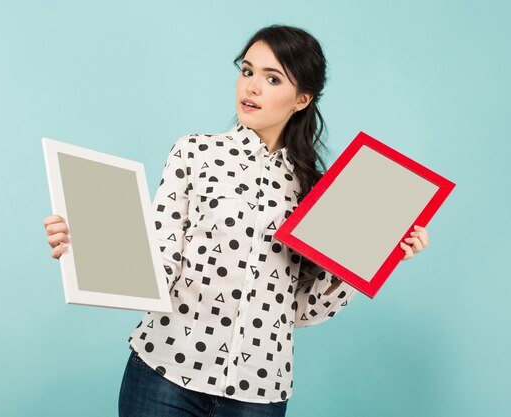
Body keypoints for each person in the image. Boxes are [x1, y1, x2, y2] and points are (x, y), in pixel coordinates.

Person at [42, 24, 429, 417]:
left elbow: (301, 311)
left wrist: (376, 254)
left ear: (302, 99)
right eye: (247, 71)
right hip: (165, 375)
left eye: (272, 78)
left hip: (259, 391)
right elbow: (160, 263)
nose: (252, 87)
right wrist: (87, 245)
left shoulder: (317, 190)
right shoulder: (194, 152)